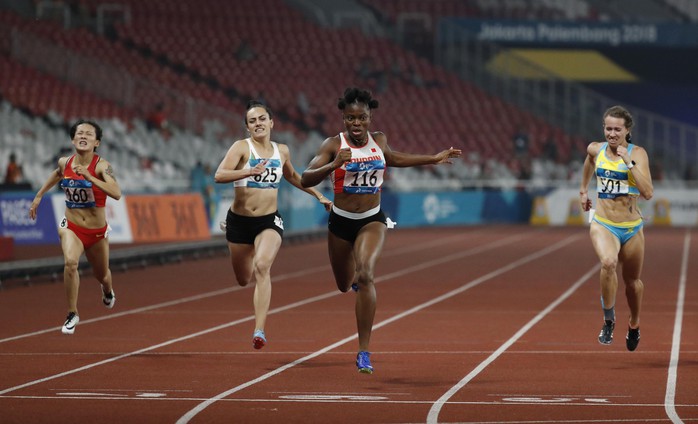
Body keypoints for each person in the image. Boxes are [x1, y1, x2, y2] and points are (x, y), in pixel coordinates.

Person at [300, 87, 462, 374]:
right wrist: (334, 164)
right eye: (350, 118)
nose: (356, 124)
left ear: (370, 116)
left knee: (367, 275)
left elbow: (392, 158)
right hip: (340, 221)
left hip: (373, 219)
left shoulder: (379, 140)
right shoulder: (332, 145)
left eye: (361, 117)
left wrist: (432, 158)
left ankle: (364, 351)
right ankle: (353, 281)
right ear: (343, 119)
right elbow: (305, 178)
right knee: (342, 283)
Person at [215, 100, 332, 350]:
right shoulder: (241, 148)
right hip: (240, 221)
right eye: (252, 121)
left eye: (261, 119)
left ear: (271, 122)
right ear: (248, 128)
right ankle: (231, 229)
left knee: (262, 266)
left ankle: (259, 330)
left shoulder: (282, 151)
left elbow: (293, 176)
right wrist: (248, 172)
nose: (258, 124)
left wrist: (318, 195)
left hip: (269, 220)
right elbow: (219, 175)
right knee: (243, 278)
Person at [28, 119, 122, 334]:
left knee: (102, 274)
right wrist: (39, 195)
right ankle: (72, 313)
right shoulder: (65, 162)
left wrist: (90, 177)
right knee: (70, 262)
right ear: (72, 139)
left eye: (89, 134)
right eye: (79, 133)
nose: (83, 136)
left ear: (96, 142)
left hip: (97, 233)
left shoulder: (102, 166)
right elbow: (56, 174)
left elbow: (116, 193)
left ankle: (107, 290)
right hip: (72, 226)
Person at [579, 105, 653, 352]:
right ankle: (609, 320)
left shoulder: (638, 154)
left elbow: (648, 193)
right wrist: (583, 190)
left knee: (632, 283)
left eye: (617, 129)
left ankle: (634, 323)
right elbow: (589, 161)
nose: (612, 133)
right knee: (608, 263)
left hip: (631, 227)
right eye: (608, 128)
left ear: (627, 130)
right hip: (603, 223)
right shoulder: (595, 148)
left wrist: (628, 162)